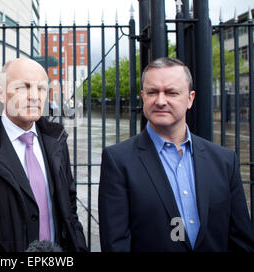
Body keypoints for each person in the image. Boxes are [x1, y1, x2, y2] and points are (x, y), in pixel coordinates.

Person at [98, 57, 254, 252]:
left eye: (171, 92)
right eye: (152, 92)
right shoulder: (118, 161)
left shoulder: (224, 161)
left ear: (190, 98)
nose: (161, 101)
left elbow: (241, 240)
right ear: (143, 96)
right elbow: (116, 244)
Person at [0, 58, 87, 252]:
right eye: (23, 87)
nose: (34, 96)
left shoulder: (56, 140)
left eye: (41, 89)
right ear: (1, 94)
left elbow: (69, 207)